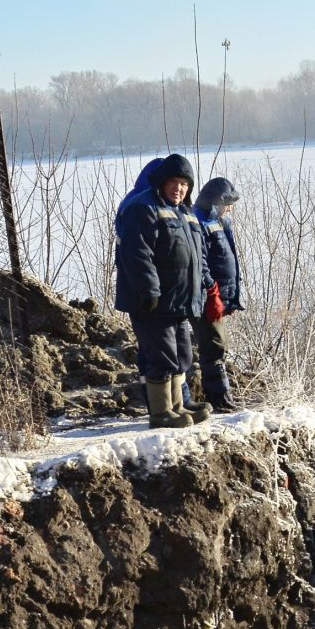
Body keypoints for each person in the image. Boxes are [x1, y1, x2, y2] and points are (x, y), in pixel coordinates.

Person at [114, 152, 213, 429]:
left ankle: (178, 405)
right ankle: (161, 412)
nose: (179, 188)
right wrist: (149, 290)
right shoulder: (143, 207)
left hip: (180, 301)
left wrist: (202, 291)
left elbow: (196, 257)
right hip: (153, 302)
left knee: (182, 354)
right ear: (161, 182)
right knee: (162, 356)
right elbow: (137, 254)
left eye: (184, 183)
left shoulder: (185, 213)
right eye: (174, 182)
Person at [192, 176, 243, 412]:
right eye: (228, 203)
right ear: (216, 201)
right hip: (207, 296)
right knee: (214, 344)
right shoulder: (199, 223)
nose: (230, 208)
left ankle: (222, 395)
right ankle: (218, 397)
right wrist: (211, 290)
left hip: (220, 295)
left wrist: (230, 295)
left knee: (218, 343)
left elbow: (228, 258)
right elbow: (201, 262)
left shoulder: (222, 223)